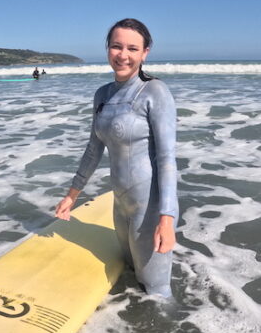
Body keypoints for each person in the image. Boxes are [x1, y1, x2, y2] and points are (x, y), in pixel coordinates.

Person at [55, 18, 178, 298]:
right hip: (120, 204)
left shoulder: (155, 91)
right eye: (116, 46)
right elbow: (93, 149)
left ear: (145, 53)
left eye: (132, 48)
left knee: (157, 290)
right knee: (131, 273)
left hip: (150, 207)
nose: (123, 55)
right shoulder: (102, 95)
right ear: (108, 49)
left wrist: (166, 219)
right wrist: (72, 195)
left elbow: (167, 159)